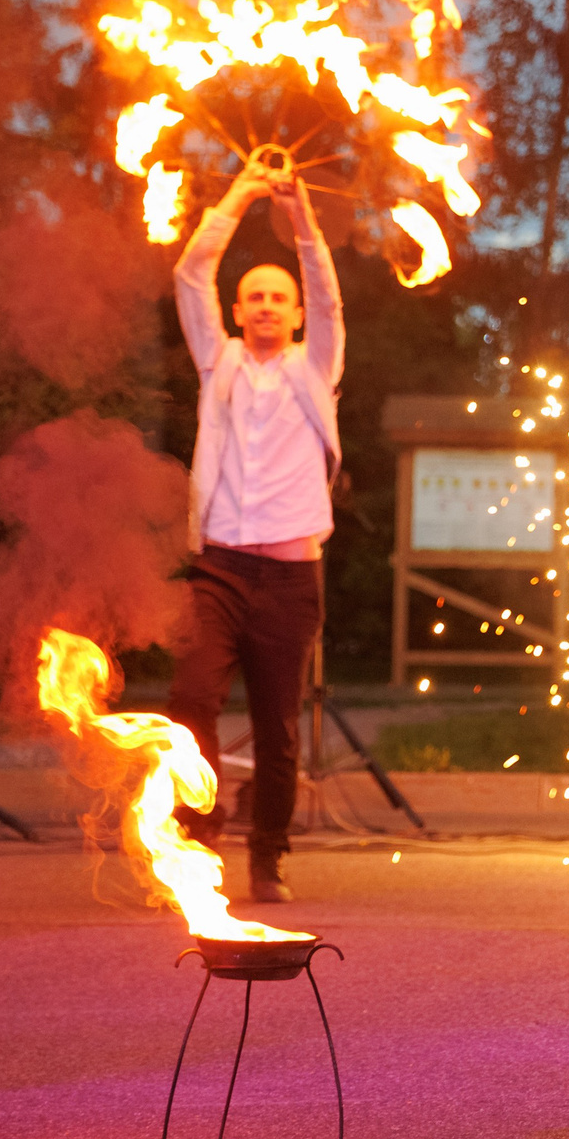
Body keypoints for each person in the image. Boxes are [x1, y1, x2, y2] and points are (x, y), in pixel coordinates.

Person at [168, 169, 344, 905]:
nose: (268, 306)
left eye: (280, 297)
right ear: (236, 312)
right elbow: (190, 271)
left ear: (298, 314)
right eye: (255, 297)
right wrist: (239, 197)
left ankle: (267, 856)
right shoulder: (220, 365)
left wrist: (297, 214)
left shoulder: (315, 368)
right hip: (220, 569)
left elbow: (330, 291)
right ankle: (198, 831)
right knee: (191, 696)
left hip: (290, 578)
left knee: (277, 729)